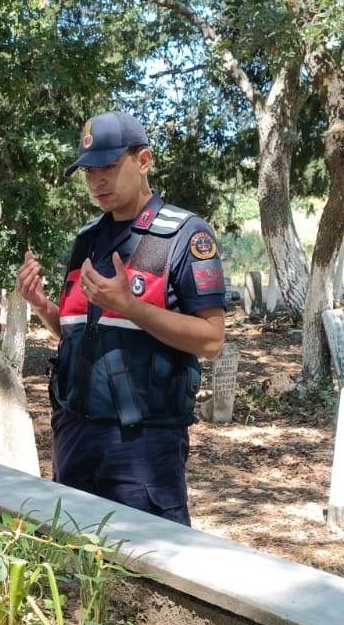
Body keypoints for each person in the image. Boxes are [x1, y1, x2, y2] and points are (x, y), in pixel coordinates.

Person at [16, 110, 226, 526]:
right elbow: (80, 334)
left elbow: (211, 339)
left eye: (109, 167)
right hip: (74, 435)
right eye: (89, 171)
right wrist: (41, 306)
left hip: (142, 446)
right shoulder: (87, 240)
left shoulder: (184, 235)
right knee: (73, 556)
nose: (97, 181)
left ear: (143, 161)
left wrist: (132, 306)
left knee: (150, 560)